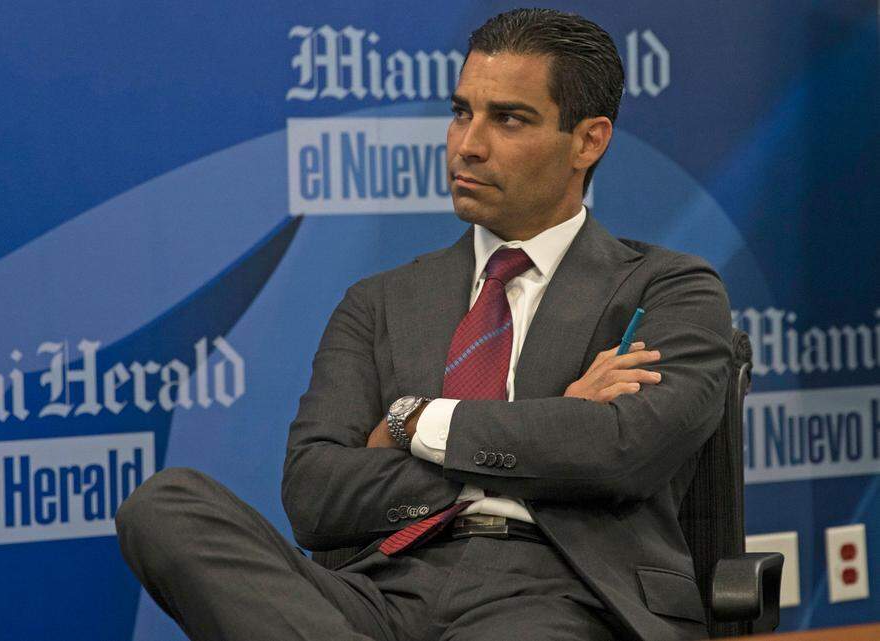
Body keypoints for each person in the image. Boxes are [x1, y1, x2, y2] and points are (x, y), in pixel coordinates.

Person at [116, 8, 731, 641]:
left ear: (588, 141)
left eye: (509, 119)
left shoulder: (665, 289)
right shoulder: (379, 301)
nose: (468, 144)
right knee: (164, 506)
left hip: (555, 594)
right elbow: (314, 495)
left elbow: (622, 451)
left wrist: (410, 423)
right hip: (378, 592)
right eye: (462, 112)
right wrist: (553, 424)